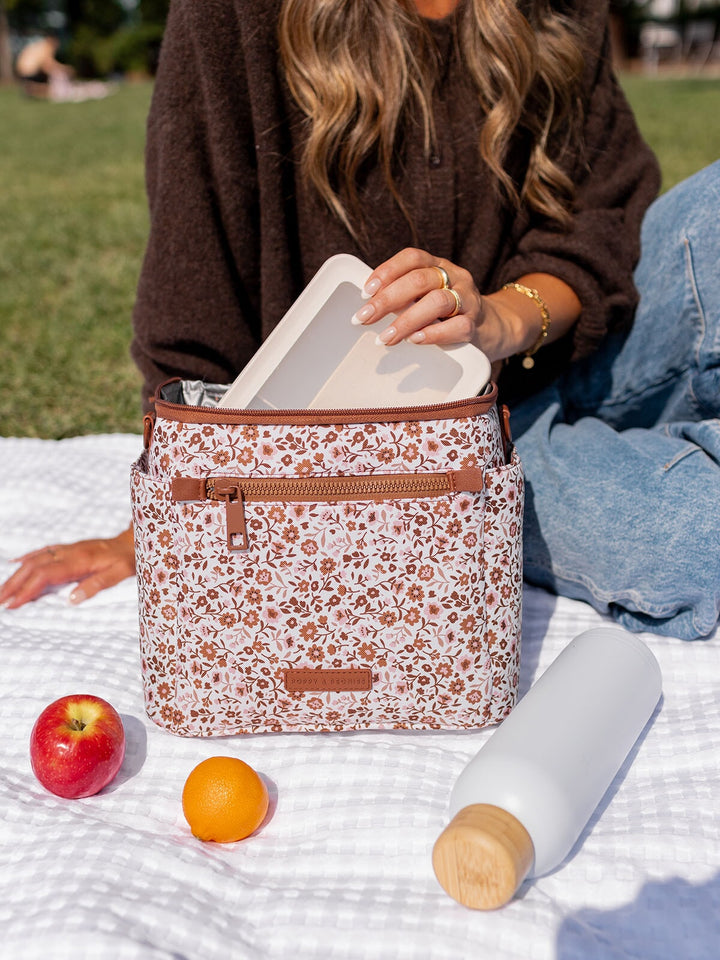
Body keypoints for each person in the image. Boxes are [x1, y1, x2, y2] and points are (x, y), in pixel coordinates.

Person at [2, 0, 718, 640]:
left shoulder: (557, 10)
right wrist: (166, 516)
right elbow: (194, 310)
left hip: (563, 346)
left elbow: (603, 217)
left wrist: (499, 318)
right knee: (690, 539)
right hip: (416, 475)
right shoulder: (233, 17)